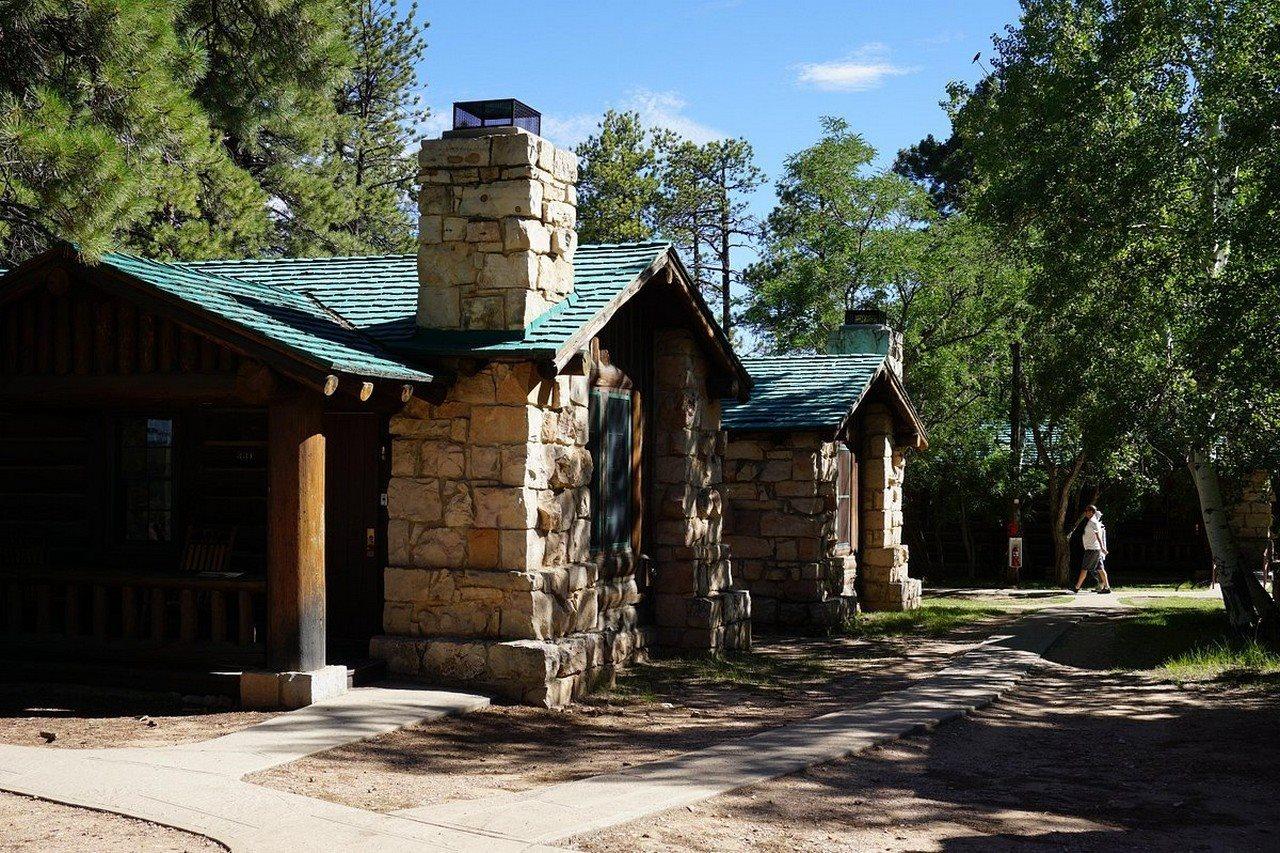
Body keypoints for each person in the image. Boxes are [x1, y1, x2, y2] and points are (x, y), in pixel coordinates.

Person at [1072, 504, 1112, 594]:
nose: (1085, 512)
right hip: (1094, 549)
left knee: (1084, 568)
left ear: (1091, 512)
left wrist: (1102, 548)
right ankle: (1107, 587)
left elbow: (1098, 535)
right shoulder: (1093, 521)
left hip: (1092, 550)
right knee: (1100, 569)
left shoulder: (1093, 522)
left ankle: (1076, 588)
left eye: (1086, 511)